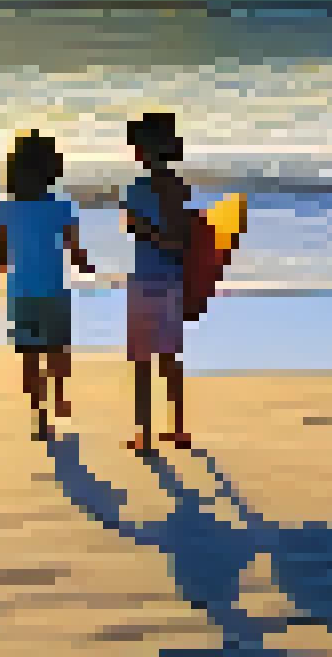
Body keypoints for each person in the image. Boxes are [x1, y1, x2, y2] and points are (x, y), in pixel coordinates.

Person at [0, 131, 97, 441]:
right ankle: (58, 395)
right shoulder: (61, 206)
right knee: (58, 351)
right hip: (54, 292)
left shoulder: (5, 208)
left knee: (30, 356)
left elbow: (3, 257)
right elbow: (75, 249)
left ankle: (40, 415)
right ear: (51, 169)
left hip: (21, 293)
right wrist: (85, 265)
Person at [123, 112, 197, 452]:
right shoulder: (180, 187)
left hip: (145, 280)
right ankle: (179, 428)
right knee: (170, 355)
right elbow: (187, 233)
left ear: (141, 150)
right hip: (173, 279)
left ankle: (145, 434)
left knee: (142, 360)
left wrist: (151, 233)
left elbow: (134, 227)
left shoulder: (136, 189)